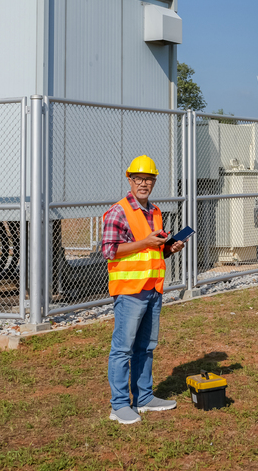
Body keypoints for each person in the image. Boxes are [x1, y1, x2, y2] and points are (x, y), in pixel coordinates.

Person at [102, 155, 186, 425]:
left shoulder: (155, 212)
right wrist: (145, 243)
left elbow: (152, 251)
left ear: (154, 181)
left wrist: (168, 248)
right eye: (138, 178)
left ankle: (144, 398)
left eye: (148, 179)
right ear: (129, 180)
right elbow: (109, 250)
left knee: (146, 347)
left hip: (152, 288)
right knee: (122, 349)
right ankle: (119, 405)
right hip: (129, 291)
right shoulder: (118, 211)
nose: (143, 183)